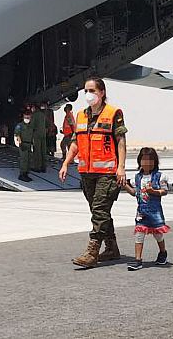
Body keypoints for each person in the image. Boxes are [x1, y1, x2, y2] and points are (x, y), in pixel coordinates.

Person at [59, 77, 127, 268]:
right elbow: (75, 143)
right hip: (86, 172)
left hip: (107, 172)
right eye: (86, 91)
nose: (88, 94)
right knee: (100, 211)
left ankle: (92, 251)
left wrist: (121, 167)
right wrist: (65, 163)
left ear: (102, 92)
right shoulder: (81, 116)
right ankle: (112, 248)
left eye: (92, 90)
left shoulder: (113, 113)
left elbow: (120, 141)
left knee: (99, 211)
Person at [121, 147, 170, 271]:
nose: (147, 163)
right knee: (139, 234)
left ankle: (162, 253)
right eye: (144, 160)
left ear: (155, 162)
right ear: (139, 161)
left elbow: (164, 192)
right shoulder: (137, 178)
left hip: (155, 211)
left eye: (150, 160)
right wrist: (124, 185)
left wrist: (153, 191)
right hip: (141, 211)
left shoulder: (160, 176)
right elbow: (134, 193)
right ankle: (138, 260)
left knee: (158, 234)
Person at [14, 110, 35, 182]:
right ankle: (22, 174)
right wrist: (20, 143)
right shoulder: (20, 125)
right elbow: (17, 134)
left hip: (29, 144)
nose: (27, 118)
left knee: (28, 160)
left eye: (28, 117)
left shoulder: (31, 125)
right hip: (23, 144)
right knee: (24, 160)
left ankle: (26, 173)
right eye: (25, 117)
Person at [30, 103, 48, 172]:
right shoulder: (43, 114)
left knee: (37, 151)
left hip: (37, 134)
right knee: (43, 150)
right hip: (43, 134)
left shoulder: (34, 115)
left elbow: (32, 125)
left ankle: (37, 167)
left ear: (34, 108)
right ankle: (44, 167)